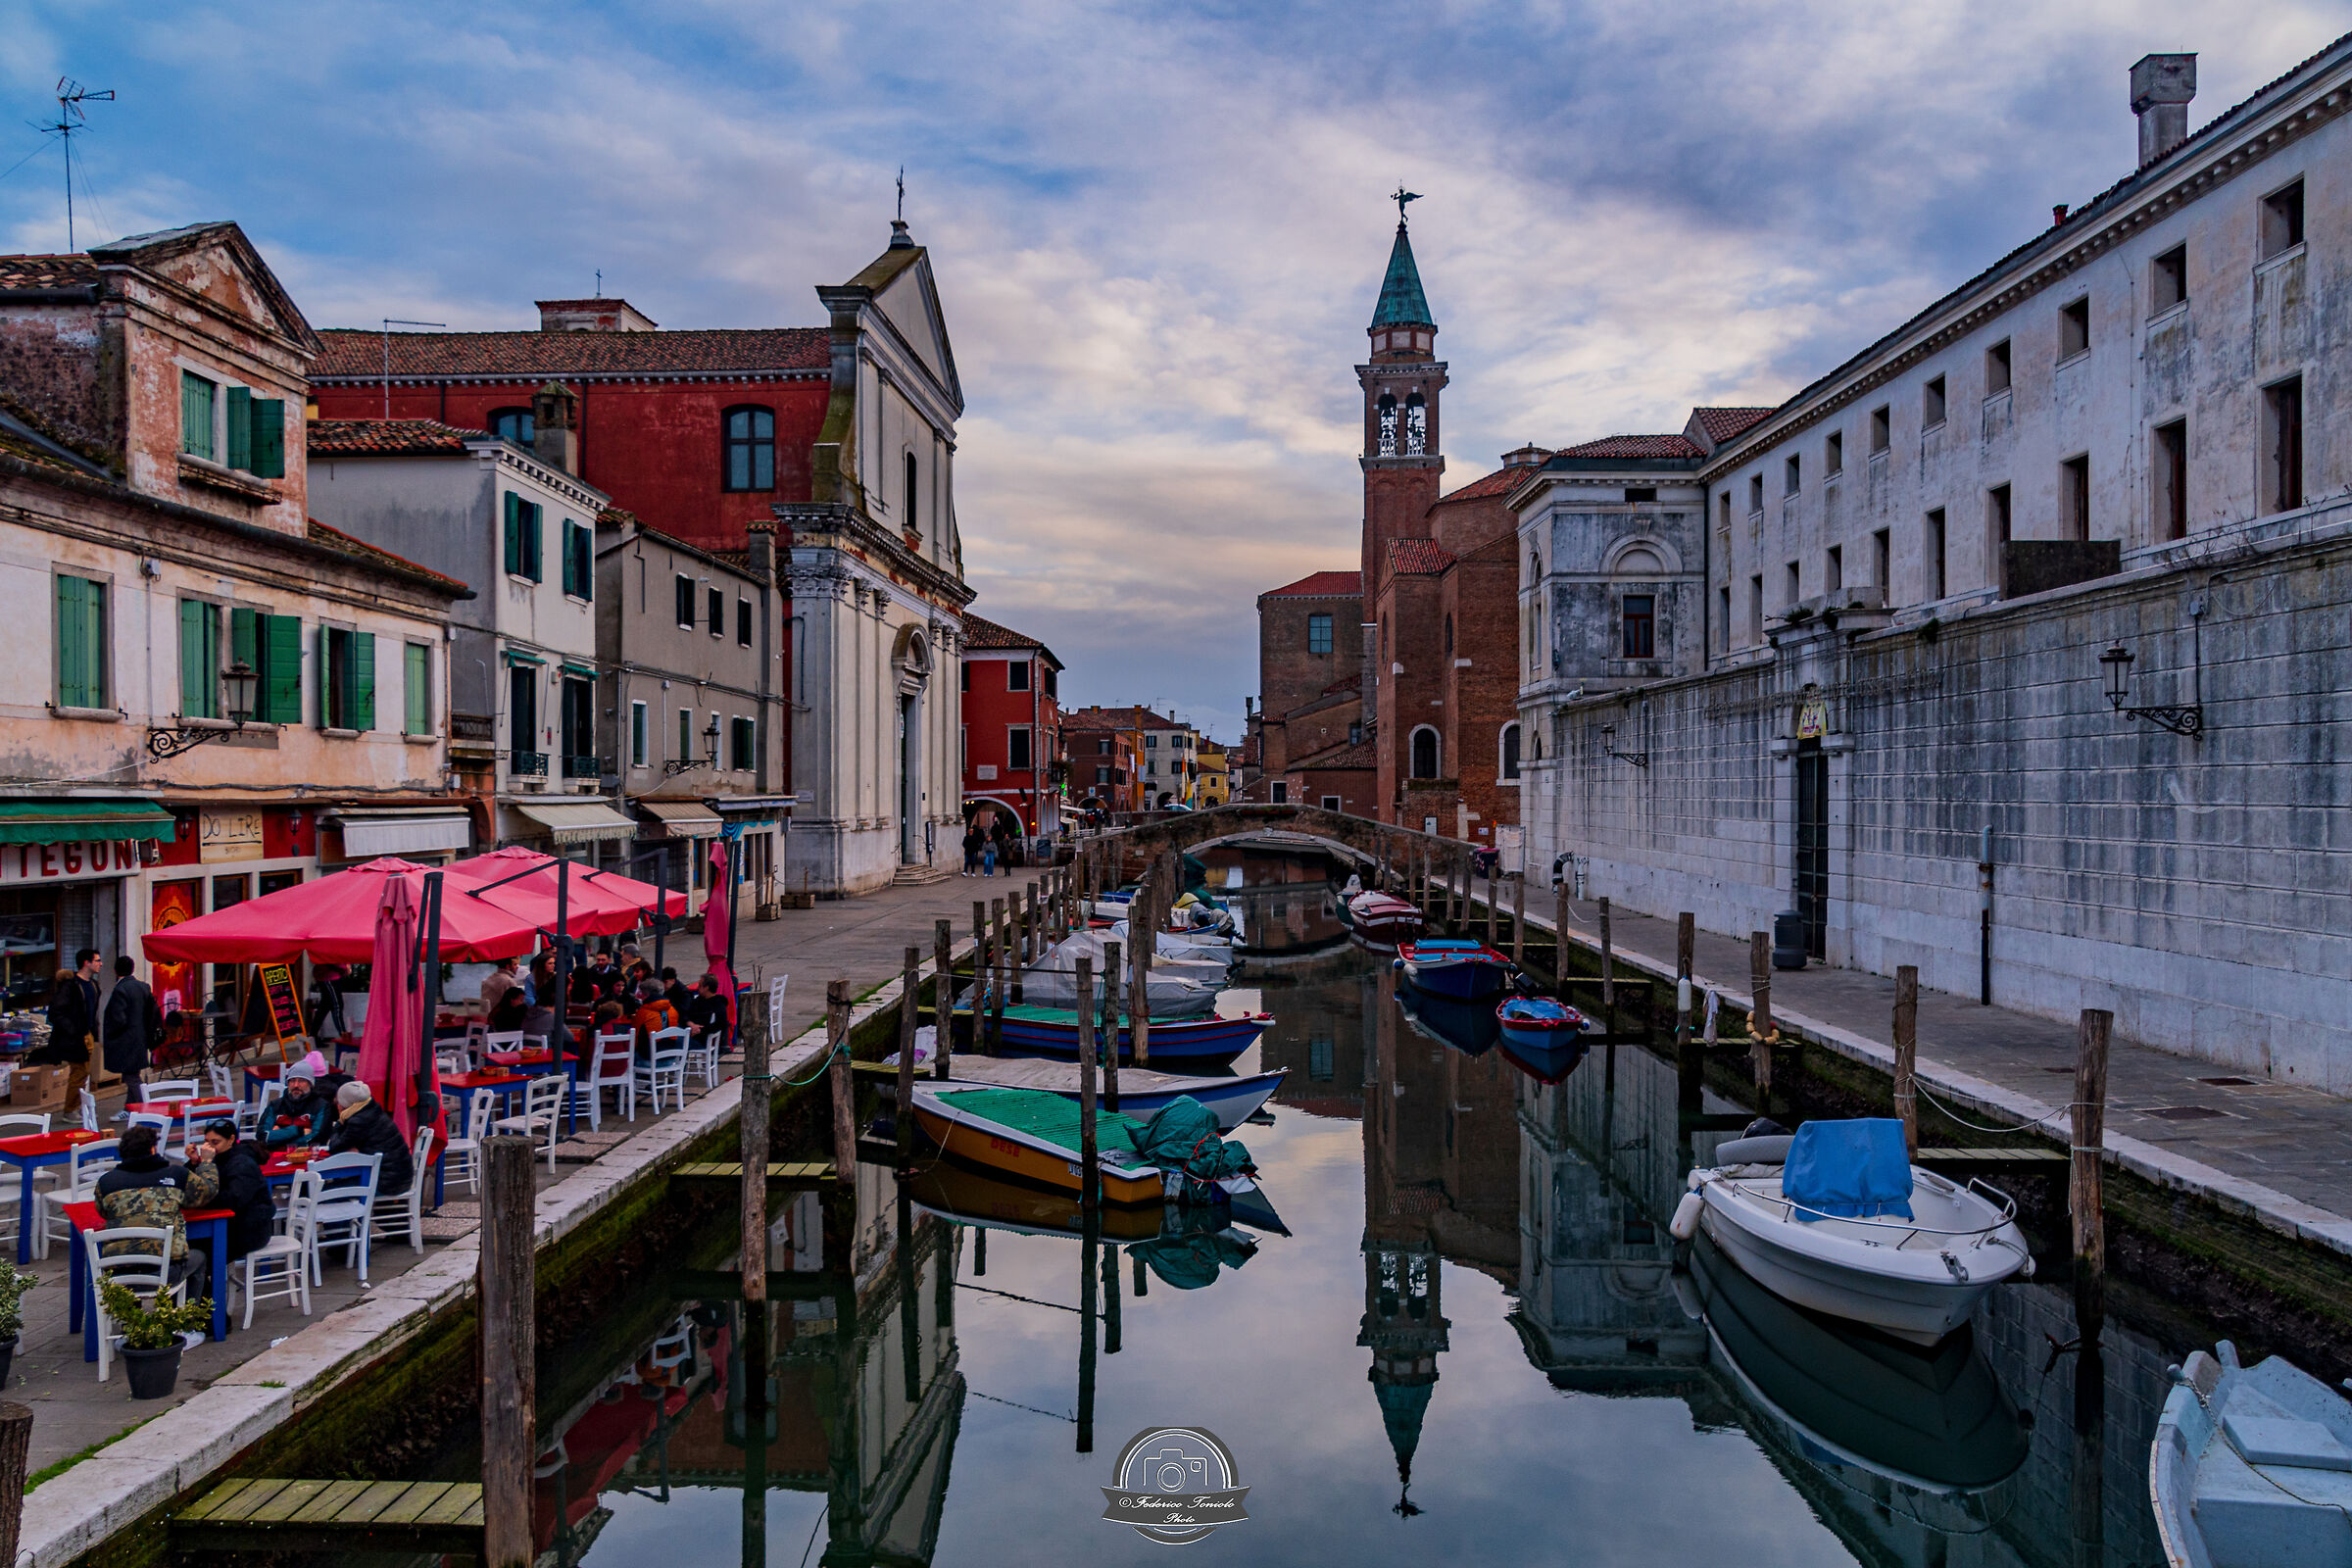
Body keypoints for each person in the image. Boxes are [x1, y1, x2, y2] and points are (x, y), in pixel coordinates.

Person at [94, 1123, 220, 1286]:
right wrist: (207, 1162)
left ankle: (129, 1309)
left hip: (118, 1277)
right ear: (153, 1149)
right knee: (200, 1258)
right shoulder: (176, 1175)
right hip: (165, 1273)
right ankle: (187, 1310)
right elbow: (207, 1191)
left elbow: (104, 1212)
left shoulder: (106, 1182)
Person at [190, 1121, 274, 1262]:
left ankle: (211, 1284)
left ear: (231, 1139)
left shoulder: (242, 1163)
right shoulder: (219, 1158)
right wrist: (194, 1163)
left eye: (215, 1142)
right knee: (187, 1247)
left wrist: (203, 1200)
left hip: (249, 1231)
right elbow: (198, 1184)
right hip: (230, 1225)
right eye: (206, 1142)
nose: (209, 1147)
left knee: (197, 1255)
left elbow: (233, 1199)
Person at [33, 948, 101, 1110]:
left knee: (84, 1073)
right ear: (87, 963)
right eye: (97, 960)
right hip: (75, 1037)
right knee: (78, 1073)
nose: (101, 964)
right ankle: (71, 1109)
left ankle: (78, 1108)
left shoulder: (93, 985)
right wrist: (73, 1029)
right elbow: (56, 1012)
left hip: (88, 1034)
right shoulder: (71, 986)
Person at [324, 1081, 413, 1196]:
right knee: (331, 1188)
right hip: (398, 1179)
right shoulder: (372, 1111)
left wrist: (339, 1124)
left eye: (338, 1102)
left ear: (344, 1105)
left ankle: (352, 1212)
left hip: (385, 1184)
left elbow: (335, 1147)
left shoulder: (358, 1121)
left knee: (323, 1193)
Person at [102, 955, 165, 1115]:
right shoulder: (143, 987)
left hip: (126, 1040)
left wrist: (111, 1034)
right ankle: (130, 1108)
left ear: (115, 971)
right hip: (141, 1038)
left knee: (131, 1077)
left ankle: (140, 1109)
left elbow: (118, 1018)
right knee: (133, 1074)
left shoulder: (120, 990)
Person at [263, 1063, 333, 1151]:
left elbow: (317, 1138)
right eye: (292, 1080)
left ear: (310, 1084)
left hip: (308, 1157)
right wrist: (298, 1130)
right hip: (275, 1155)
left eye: (301, 1080)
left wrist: (278, 1136)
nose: (296, 1085)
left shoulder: (321, 1106)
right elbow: (262, 1136)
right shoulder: (276, 1105)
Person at [687, 974, 728, 1047]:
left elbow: (721, 1023)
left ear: (706, 988)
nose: (697, 988)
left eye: (700, 986)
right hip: (691, 1033)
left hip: (700, 1040)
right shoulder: (698, 1000)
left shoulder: (718, 1003)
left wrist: (700, 1030)